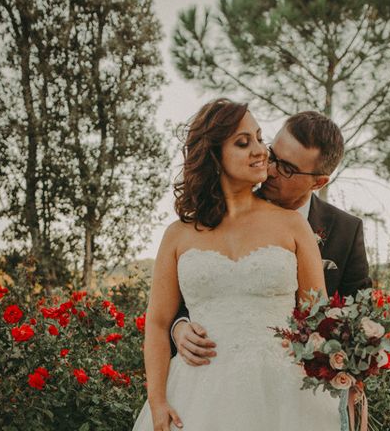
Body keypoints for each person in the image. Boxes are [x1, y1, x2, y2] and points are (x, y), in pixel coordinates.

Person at [132, 99, 341, 431]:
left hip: (282, 394)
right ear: (215, 156)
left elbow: (317, 319)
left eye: (259, 137)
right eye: (243, 143)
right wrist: (158, 402)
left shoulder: (293, 226)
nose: (261, 151)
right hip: (196, 395)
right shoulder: (177, 235)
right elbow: (157, 324)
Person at [172, 111, 371, 368]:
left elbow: (360, 318)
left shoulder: (346, 230)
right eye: (273, 155)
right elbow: (191, 286)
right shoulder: (223, 212)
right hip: (215, 367)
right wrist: (180, 327)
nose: (271, 169)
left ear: (318, 182)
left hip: (294, 380)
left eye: (287, 168)